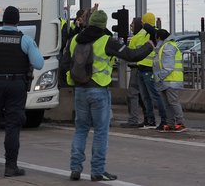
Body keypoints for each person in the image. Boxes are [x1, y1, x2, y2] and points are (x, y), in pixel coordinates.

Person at [66, 10, 155, 182]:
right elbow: (132, 55)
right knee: (100, 131)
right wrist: (149, 45)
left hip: (80, 90)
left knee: (80, 130)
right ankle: (97, 171)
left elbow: (65, 63)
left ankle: (75, 168)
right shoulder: (106, 41)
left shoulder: (75, 39)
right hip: (98, 89)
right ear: (103, 25)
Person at [0, 6, 43, 177]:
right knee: (13, 126)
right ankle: (11, 166)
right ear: (17, 21)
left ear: (3, 20)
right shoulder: (25, 40)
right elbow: (39, 63)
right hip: (16, 85)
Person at [136, 12, 168, 130]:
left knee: (154, 96)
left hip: (150, 69)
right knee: (146, 97)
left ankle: (164, 120)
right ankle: (150, 120)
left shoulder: (156, 34)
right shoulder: (144, 34)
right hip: (141, 68)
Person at [153, 29, 186, 132]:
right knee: (168, 103)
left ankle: (180, 123)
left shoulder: (168, 47)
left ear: (159, 38)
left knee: (173, 102)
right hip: (166, 80)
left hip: (171, 79)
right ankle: (170, 123)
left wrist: (158, 77)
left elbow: (168, 67)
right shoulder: (165, 46)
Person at [120, 17, 147, 128]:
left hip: (136, 68)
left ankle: (133, 120)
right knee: (143, 96)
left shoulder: (136, 38)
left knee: (132, 94)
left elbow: (129, 54)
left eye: (132, 23)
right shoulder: (146, 35)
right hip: (145, 68)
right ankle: (149, 119)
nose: (131, 26)